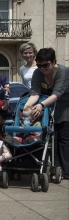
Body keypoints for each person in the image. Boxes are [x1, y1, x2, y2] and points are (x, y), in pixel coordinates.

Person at [24, 48, 69, 179]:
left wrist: (41, 105)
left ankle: (65, 171)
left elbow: (57, 93)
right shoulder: (37, 73)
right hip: (49, 104)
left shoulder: (63, 71)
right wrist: (27, 107)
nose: (42, 68)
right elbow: (35, 93)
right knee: (50, 137)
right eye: (39, 65)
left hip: (65, 103)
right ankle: (53, 169)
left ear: (54, 62)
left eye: (46, 65)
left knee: (64, 138)